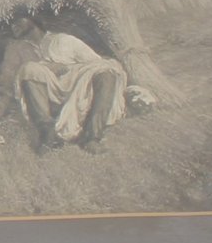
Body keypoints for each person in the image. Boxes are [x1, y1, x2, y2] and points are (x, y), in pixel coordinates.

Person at [11, 13, 129, 151]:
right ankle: (48, 134)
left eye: (19, 21)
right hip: (52, 89)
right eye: (12, 24)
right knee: (28, 68)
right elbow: (15, 76)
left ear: (33, 22)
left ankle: (92, 137)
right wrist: (48, 67)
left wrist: (65, 67)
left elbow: (96, 62)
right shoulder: (21, 49)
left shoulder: (62, 40)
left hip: (77, 82)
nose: (14, 26)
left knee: (107, 73)